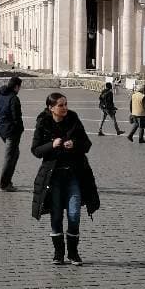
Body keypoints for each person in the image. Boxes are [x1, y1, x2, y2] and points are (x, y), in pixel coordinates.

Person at [31, 92, 100, 265]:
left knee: (74, 214)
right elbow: (36, 150)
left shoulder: (74, 120)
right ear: (51, 108)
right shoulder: (43, 123)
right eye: (61, 105)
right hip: (53, 178)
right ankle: (58, 253)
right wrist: (51, 145)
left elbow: (87, 144)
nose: (65, 108)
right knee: (56, 216)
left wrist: (75, 144)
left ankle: (73, 253)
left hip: (74, 175)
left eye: (66, 104)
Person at [0, 75, 23, 191]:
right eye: (19, 87)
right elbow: (16, 117)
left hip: (3, 131)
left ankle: (8, 181)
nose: (19, 90)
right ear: (16, 87)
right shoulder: (13, 98)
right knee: (9, 157)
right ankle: (4, 184)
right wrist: (19, 129)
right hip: (12, 132)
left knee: (15, 154)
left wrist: (1, 125)